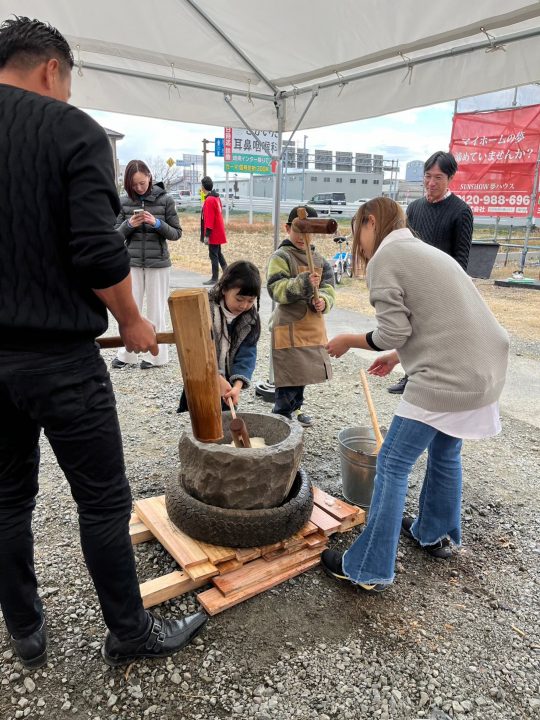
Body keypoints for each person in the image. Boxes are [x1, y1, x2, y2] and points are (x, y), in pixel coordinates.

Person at [0, 16, 206, 669]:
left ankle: (25, 629)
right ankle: (128, 632)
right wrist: (135, 321)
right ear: (51, 70)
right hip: (59, 356)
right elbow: (95, 250)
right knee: (102, 499)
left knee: (7, 498)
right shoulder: (70, 129)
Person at [323, 198, 508, 592]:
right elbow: (436, 319)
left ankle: (369, 568)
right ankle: (434, 534)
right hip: (485, 365)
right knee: (445, 450)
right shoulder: (423, 251)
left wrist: (350, 340)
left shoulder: (386, 258)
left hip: (448, 374)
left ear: (370, 222)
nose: (360, 242)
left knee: (392, 461)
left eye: (359, 230)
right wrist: (395, 357)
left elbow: (394, 331)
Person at [388, 150, 474, 395]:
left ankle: (432, 379)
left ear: (451, 178)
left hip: (443, 285)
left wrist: (453, 288)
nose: (431, 183)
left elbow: (461, 257)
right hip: (414, 281)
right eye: (428, 176)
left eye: (438, 177)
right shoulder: (414, 208)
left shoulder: (461, 211)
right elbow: (404, 245)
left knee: (435, 333)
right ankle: (409, 376)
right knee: (410, 330)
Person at [266, 206, 335, 428]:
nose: (303, 237)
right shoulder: (281, 256)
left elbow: (329, 289)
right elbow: (275, 288)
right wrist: (303, 283)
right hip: (288, 324)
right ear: (288, 228)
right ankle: (282, 413)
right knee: (289, 373)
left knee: (304, 372)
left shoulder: (320, 260)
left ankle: (297, 408)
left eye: (309, 232)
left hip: (311, 325)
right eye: (298, 230)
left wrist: (323, 301)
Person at [112, 160, 181, 369]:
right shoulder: (124, 202)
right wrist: (128, 225)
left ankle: (156, 356)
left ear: (149, 177)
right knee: (129, 309)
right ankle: (127, 353)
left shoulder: (166, 200)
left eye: (142, 183)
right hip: (130, 262)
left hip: (158, 263)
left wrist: (156, 223)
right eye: (134, 185)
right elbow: (114, 236)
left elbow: (176, 233)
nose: (139, 188)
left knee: (156, 309)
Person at [177, 261, 261, 412]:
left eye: (250, 301)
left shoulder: (250, 319)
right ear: (224, 289)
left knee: (225, 423)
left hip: (227, 382)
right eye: (239, 299)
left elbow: (247, 353)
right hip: (201, 375)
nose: (244, 306)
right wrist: (214, 376)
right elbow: (194, 350)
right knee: (201, 417)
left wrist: (237, 386)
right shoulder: (204, 309)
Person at [200, 175, 228, 285]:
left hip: (213, 233)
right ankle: (227, 273)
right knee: (218, 253)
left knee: (213, 255)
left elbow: (209, 218)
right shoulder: (216, 198)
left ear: (203, 187)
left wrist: (207, 235)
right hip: (218, 230)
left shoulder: (209, 200)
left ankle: (215, 278)